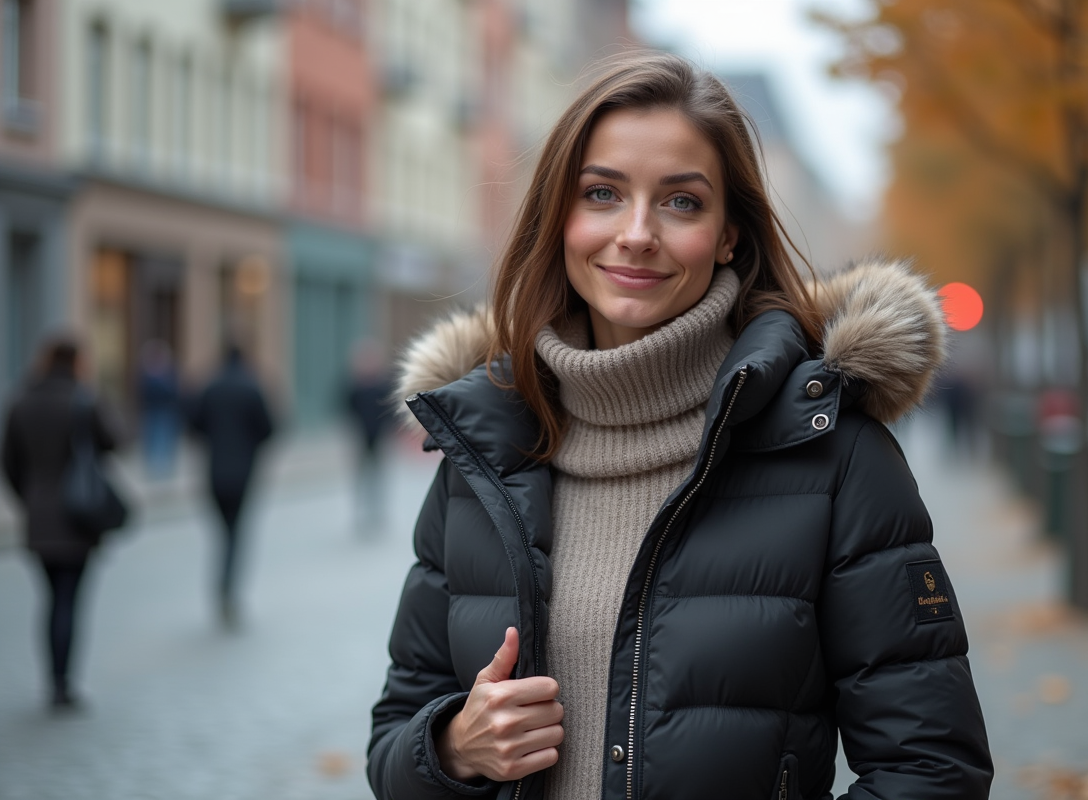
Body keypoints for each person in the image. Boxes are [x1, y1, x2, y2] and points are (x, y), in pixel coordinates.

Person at [368, 52, 993, 800]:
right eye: (601, 193)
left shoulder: (834, 454)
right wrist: (451, 745)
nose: (636, 233)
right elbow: (394, 742)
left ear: (730, 233)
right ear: (559, 219)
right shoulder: (482, 454)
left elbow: (931, 769)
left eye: (681, 202)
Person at [2, 335, 121, 710]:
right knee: (69, 600)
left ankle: (52, 679)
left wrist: (29, 498)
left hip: (38, 516)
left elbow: (9, 461)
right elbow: (114, 440)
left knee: (51, 599)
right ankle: (62, 683)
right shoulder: (83, 400)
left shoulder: (21, 401)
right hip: (78, 515)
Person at [187, 344, 274, 629]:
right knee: (235, 535)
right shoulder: (251, 388)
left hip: (214, 472)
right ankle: (229, 591)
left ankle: (223, 588)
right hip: (243, 472)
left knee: (223, 533)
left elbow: (194, 424)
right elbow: (269, 428)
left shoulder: (210, 388)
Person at [344, 338, 395, 533]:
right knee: (362, 475)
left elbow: (390, 411)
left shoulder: (383, 385)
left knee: (378, 474)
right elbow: (347, 409)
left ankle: (377, 511)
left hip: (379, 437)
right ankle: (361, 511)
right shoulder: (354, 386)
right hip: (360, 438)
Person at [137, 339, 181, 479]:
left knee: (164, 437)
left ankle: (163, 466)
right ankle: (154, 466)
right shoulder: (148, 372)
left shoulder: (167, 371)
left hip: (165, 410)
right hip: (152, 410)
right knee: (153, 437)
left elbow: (175, 390)